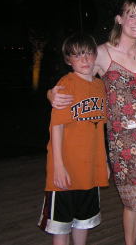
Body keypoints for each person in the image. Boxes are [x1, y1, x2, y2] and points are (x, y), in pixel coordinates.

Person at [48, 0, 136, 245]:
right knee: (133, 202)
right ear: (119, 19)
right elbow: (75, 78)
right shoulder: (101, 53)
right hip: (124, 144)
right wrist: (51, 93)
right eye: (132, 15)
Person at [38, 33, 109, 245]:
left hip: (90, 169)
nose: (85, 60)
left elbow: (100, 128)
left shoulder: (99, 86)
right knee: (61, 225)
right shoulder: (66, 84)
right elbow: (57, 127)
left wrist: (104, 162)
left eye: (88, 54)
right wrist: (58, 166)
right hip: (66, 168)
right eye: (78, 56)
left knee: (84, 222)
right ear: (69, 60)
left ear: (95, 55)